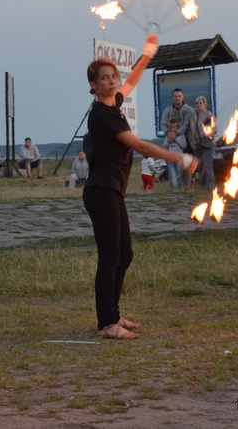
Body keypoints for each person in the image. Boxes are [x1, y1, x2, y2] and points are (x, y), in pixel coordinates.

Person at [83, 34, 197, 340]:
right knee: (111, 256)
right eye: (103, 79)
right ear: (93, 85)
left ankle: (114, 314)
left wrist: (147, 54)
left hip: (112, 189)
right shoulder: (103, 116)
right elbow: (140, 146)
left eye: (113, 76)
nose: (111, 82)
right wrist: (178, 158)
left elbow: (131, 80)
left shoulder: (115, 103)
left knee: (125, 254)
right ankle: (107, 324)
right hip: (101, 189)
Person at [187, 96, 216, 190]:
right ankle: (203, 186)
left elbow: (214, 129)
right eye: (197, 103)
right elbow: (191, 130)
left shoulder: (208, 115)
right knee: (200, 166)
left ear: (205, 104)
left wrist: (208, 132)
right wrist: (192, 141)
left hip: (206, 143)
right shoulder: (193, 117)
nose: (198, 105)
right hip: (196, 144)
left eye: (200, 103)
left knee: (208, 166)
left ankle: (210, 186)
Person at [163, 119, 187, 190]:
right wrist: (168, 142)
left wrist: (176, 139)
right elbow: (164, 146)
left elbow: (184, 146)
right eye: (170, 127)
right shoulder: (167, 137)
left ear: (177, 128)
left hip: (179, 158)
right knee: (172, 174)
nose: (172, 129)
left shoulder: (181, 136)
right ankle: (174, 189)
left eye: (174, 127)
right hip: (170, 158)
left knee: (179, 175)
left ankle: (179, 189)